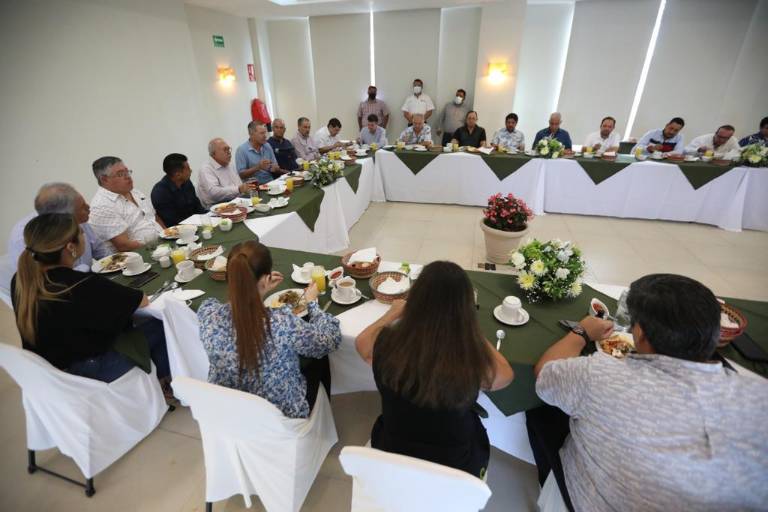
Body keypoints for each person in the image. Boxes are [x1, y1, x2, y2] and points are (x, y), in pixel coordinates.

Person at [528, 274, 768, 511]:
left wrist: (581, 332)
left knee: (541, 413)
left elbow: (546, 374)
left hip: (591, 500)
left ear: (639, 333)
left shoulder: (598, 375)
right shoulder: (759, 397)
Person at [355, 261, 514, 477]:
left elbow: (362, 343)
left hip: (392, 452)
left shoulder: (387, 343)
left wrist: (392, 314)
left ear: (414, 301)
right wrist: (469, 327)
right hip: (455, 467)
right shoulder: (469, 358)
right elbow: (505, 376)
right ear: (465, 308)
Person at [11, 213, 170, 384]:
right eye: (81, 232)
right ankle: (166, 382)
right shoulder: (79, 284)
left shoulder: (21, 281)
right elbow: (142, 301)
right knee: (162, 324)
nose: (84, 236)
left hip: (53, 374)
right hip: (94, 369)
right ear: (71, 247)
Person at [198, 241, 341, 419]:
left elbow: (239, 305)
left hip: (230, 412)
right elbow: (330, 340)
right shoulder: (281, 321)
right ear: (266, 279)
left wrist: (259, 290)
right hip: (281, 416)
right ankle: (322, 419)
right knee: (318, 357)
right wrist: (312, 303)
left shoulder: (207, 314)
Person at [7, 183, 109, 274]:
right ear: (63, 218)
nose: (89, 207)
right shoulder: (27, 236)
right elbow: (37, 283)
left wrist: (120, 263)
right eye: (82, 207)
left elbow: (100, 250)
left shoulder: (78, 220)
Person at [89, 156, 163, 253]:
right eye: (120, 174)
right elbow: (124, 246)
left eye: (127, 172)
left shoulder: (135, 192)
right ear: (104, 179)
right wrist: (159, 245)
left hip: (161, 243)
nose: (128, 176)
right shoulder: (101, 206)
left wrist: (168, 235)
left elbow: (154, 218)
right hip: (139, 254)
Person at [150, 153, 206, 228]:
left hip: (197, 224)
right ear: (178, 174)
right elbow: (173, 221)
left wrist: (211, 217)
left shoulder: (187, 182)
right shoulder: (160, 192)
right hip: (178, 231)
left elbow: (197, 206)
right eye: (188, 169)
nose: (191, 170)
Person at [198, 138, 254, 208]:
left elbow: (239, 185)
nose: (229, 152)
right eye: (225, 149)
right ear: (213, 154)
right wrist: (238, 189)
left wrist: (245, 189)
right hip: (217, 206)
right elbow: (214, 193)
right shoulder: (206, 169)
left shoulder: (230, 164)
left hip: (236, 201)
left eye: (229, 149)